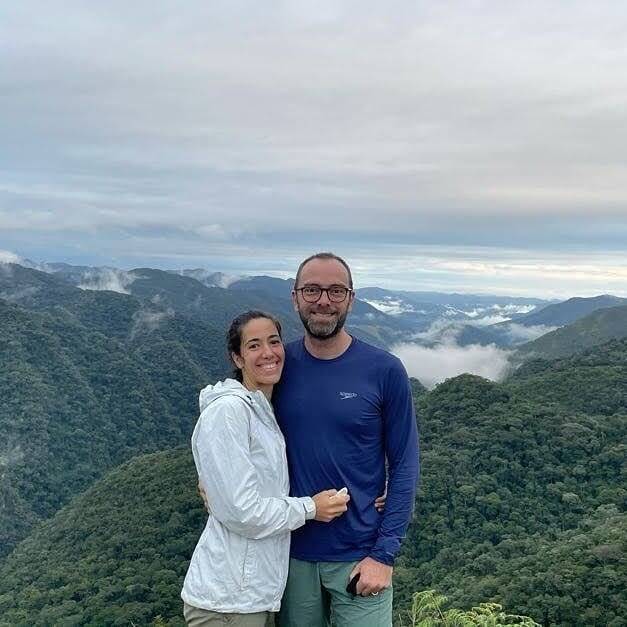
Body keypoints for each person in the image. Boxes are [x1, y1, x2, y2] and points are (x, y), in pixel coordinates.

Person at [274, 252, 420, 627]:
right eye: (312, 290)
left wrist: (384, 556)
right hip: (288, 556)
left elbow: (405, 463)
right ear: (295, 297)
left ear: (351, 299)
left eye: (336, 291)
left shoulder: (384, 370)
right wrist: (208, 479)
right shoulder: (276, 366)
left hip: (360, 557)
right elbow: (236, 427)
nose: (323, 300)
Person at [181, 310, 351, 627]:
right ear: (237, 357)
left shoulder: (262, 411)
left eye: (274, 341)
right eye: (254, 345)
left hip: (251, 595)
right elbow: (243, 511)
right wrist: (311, 508)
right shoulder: (230, 411)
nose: (268, 353)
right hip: (227, 601)